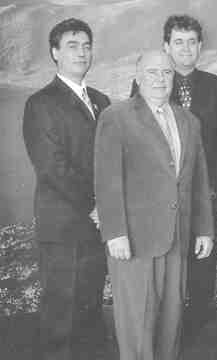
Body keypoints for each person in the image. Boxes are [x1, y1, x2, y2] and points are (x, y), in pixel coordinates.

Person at [94, 50, 214, 360]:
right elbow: (106, 180)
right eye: (152, 72)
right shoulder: (116, 116)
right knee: (138, 325)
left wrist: (204, 229)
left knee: (170, 322)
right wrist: (115, 233)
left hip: (177, 237)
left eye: (167, 73)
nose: (160, 79)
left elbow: (198, 178)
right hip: (134, 240)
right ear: (137, 77)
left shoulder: (189, 120)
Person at [131, 15, 217, 336]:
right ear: (166, 46)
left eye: (191, 42)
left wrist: (211, 191)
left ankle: (199, 329)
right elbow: (138, 143)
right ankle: (165, 327)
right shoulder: (146, 84)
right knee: (164, 260)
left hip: (204, 194)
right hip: (159, 199)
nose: (185, 48)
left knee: (202, 262)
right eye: (178, 42)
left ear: (200, 46)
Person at [22, 18, 110, 360]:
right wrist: (94, 205)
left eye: (87, 46)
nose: (82, 52)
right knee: (61, 318)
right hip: (63, 228)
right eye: (72, 45)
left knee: (89, 313)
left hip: (97, 226)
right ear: (54, 52)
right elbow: (52, 167)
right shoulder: (41, 103)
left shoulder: (101, 100)